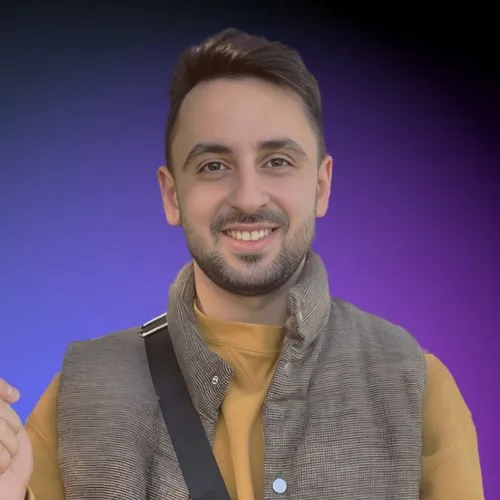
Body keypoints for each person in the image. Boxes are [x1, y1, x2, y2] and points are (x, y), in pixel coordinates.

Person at [0, 28, 484, 500]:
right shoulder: (80, 395)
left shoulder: (415, 388)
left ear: (321, 186)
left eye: (277, 161)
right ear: (172, 195)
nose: (249, 197)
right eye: (213, 165)